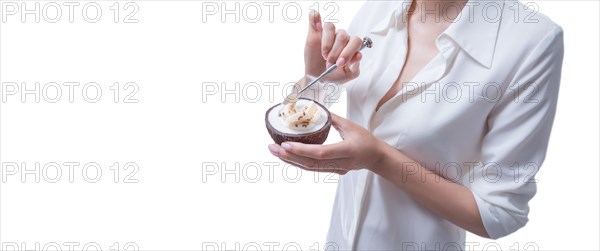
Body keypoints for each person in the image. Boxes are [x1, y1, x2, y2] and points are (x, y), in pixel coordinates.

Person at [267, 0, 564, 249]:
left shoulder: (531, 40)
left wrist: (379, 158)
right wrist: (316, 81)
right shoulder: (382, 7)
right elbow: (321, 101)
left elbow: (498, 212)